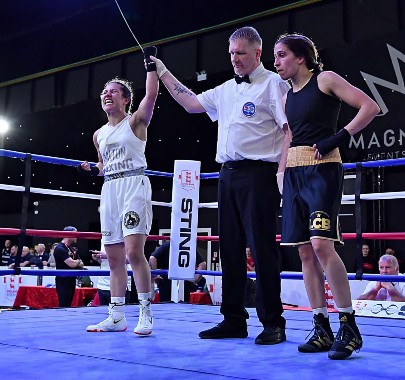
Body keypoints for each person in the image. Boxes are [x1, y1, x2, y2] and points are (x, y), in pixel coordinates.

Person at [150, 26, 289, 344]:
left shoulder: (273, 84)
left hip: (260, 174)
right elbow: (190, 103)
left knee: (262, 250)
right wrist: (162, 71)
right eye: (231, 53)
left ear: (257, 52)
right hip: (228, 175)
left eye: (240, 53)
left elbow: (288, 129)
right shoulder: (226, 89)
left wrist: (282, 172)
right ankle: (233, 320)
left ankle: (273, 322)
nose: (234, 59)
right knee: (229, 250)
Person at [273, 33, 380, 359]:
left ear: (300, 57)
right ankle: (321, 325)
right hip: (293, 173)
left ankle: (348, 324)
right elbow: (289, 136)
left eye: (281, 55)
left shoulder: (326, 79)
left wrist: (337, 137)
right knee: (304, 252)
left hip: (323, 171)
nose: (276, 62)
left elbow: (370, 106)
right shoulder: (287, 96)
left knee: (321, 245)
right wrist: (280, 173)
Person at [79, 47, 158, 335]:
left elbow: (151, 96)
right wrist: (94, 169)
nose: (107, 94)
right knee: (113, 258)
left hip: (134, 185)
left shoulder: (135, 122)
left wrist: (151, 67)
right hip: (110, 188)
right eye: (104, 91)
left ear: (125, 99)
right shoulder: (98, 134)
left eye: (114, 91)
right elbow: (104, 164)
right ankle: (116, 316)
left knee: (135, 252)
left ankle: (146, 313)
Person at [54, 226, 84, 307]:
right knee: (64, 305)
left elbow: (81, 263)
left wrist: (76, 262)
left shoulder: (72, 249)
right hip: (63, 280)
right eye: (75, 233)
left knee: (68, 304)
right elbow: (73, 264)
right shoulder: (60, 248)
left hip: (71, 279)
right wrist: (77, 262)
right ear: (68, 234)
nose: (77, 236)